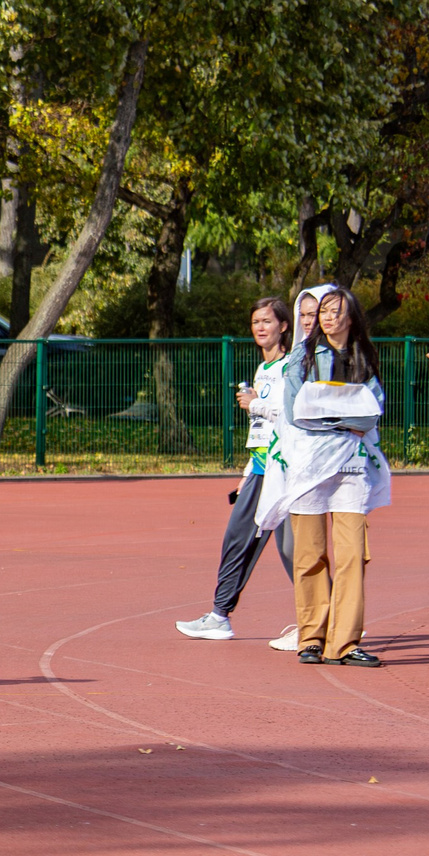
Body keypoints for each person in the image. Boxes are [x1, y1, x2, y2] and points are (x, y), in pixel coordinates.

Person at [256, 283, 389, 665]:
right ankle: (312, 637)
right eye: (322, 313)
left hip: (350, 468)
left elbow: (373, 409)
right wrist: (344, 416)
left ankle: (345, 642)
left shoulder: (364, 355)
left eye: (334, 311)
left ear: (351, 316)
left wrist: (332, 411)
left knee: (351, 555)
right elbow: (300, 411)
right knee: (310, 553)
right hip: (309, 467)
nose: (327, 319)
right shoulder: (303, 355)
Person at [176, 297, 298, 640]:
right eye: (255, 322)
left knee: (293, 551)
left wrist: (257, 404)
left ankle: (323, 619)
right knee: (237, 538)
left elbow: (290, 417)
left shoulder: (291, 368)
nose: (260, 328)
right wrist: (247, 471)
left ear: (284, 326)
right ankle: (219, 615)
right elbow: (260, 430)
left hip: (285, 471)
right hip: (261, 468)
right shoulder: (262, 370)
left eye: (267, 321)